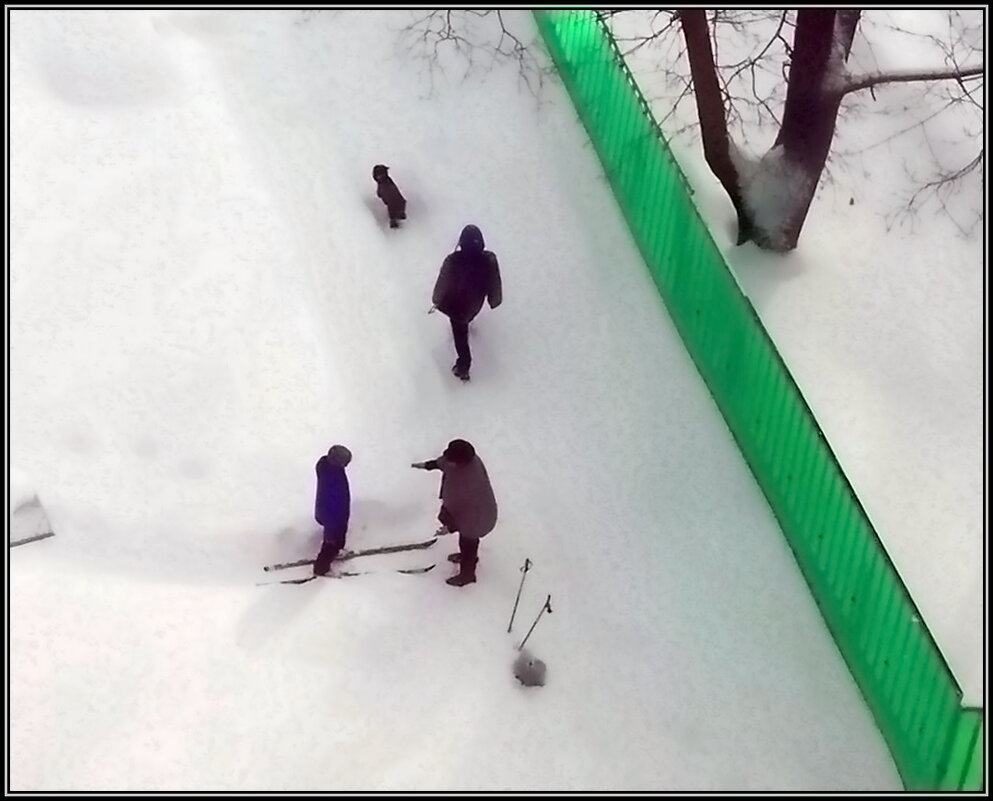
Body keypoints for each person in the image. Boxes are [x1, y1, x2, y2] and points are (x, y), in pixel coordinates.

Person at [411, 439, 498, 586]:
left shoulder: (470, 483)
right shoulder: (464, 460)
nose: (447, 460)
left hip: (478, 518)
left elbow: (470, 516)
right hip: (471, 514)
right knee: (466, 540)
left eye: (451, 459)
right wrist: (427, 465)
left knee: (468, 542)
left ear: (459, 462)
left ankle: (467, 575)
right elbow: (445, 463)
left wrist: (451, 527)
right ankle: (466, 556)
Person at [431, 224, 502, 381]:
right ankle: (470, 324)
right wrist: (494, 300)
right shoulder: (488, 260)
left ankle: (463, 366)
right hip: (475, 303)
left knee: (460, 334)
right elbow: (495, 283)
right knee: (466, 320)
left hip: (456, 306)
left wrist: (436, 300)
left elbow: (443, 281)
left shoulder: (453, 260)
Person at [313, 444, 352, 576]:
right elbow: (330, 504)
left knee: (340, 537)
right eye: (344, 463)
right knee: (331, 543)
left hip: (338, 513)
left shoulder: (330, 467)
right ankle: (321, 569)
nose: (345, 467)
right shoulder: (331, 477)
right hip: (333, 516)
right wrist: (330, 532)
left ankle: (338, 550)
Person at [372, 164, 407, 229]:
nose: (380, 177)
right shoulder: (385, 182)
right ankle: (397, 216)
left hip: (393, 200)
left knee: (394, 203)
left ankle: (396, 217)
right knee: (394, 203)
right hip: (394, 200)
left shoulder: (385, 183)